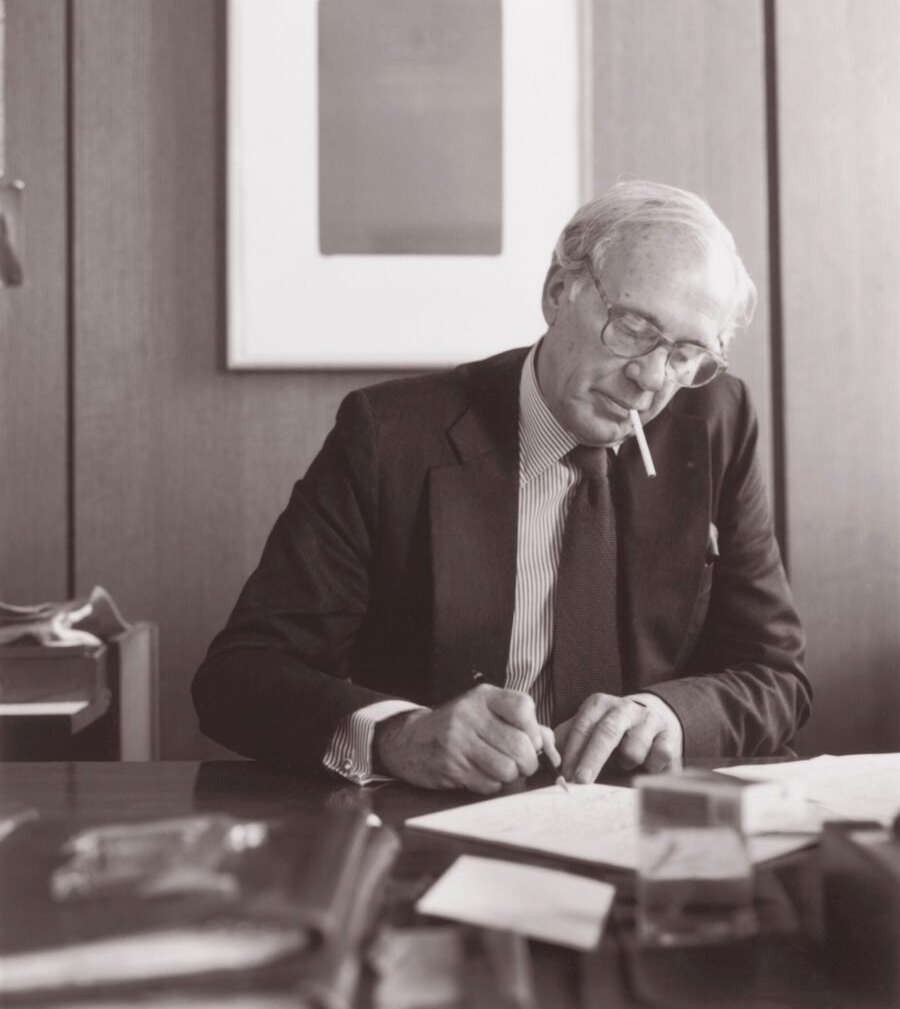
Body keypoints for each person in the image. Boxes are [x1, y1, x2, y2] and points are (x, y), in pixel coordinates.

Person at [192, 180, 809, 793]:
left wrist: (670, 715)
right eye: (631, 327)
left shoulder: (714, 422)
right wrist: (400, 736)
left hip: (649, 826)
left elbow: (776, 675)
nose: (649, 378)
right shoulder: (391, 435)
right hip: (440, 821)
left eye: (686, 355)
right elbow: (239, 676)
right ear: (557, 292)